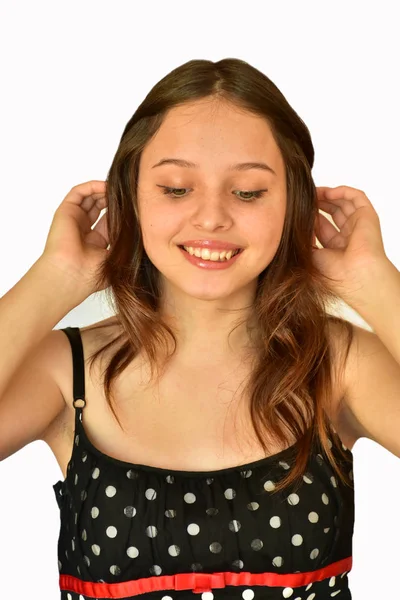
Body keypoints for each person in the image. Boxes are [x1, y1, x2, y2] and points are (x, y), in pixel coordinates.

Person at [0, 58, 356, 599]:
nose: (211, 217)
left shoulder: (336, 360)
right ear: (130, 198)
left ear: (295, 206)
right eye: (174, 188)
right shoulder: (64, 371)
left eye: (248, 192)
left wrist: (371, 281)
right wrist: (55, 277)